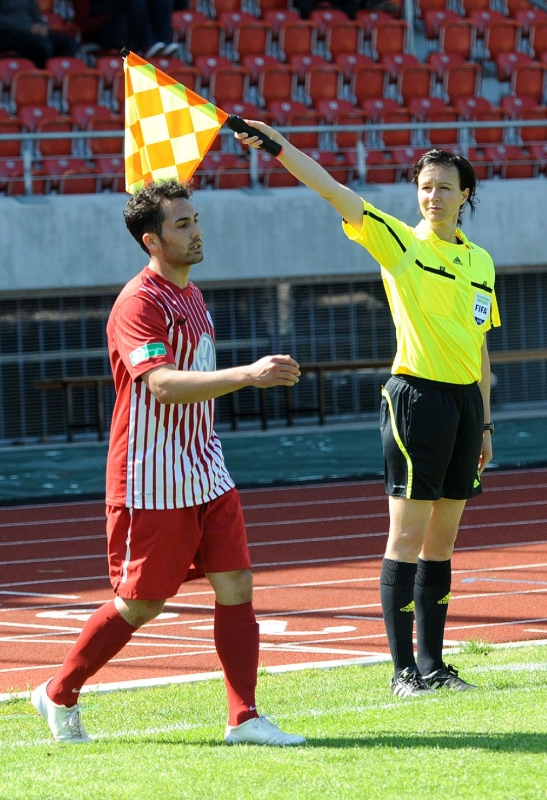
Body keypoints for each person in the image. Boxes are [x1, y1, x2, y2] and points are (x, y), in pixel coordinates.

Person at [31, 179, 306, 747]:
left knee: (237, 584)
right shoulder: (139, 301)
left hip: (205, 467)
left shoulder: (192, 294)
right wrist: (249, 374)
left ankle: (244, 718)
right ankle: (58, 692)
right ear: (151, 241)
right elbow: (160, 385)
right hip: (150, 477)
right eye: (183, 225)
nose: (197, 231)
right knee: (141, 603)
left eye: (196, 219)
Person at [235, 121, 500, 697]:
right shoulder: (401, 244)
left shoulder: (481, 261)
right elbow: (332, 189)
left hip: (464, 406)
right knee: (407, 538)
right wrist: (277, 145)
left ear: (466, 194)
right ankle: (403, 672)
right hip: (416, 399)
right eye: (425, 186)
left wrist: (484, 421)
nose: (433, 196)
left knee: (443, 542)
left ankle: (434, 665)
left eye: (444, 187)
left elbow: (480, 347)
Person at [72, 0, 179, 58]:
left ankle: (164, 43)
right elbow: (82, 22)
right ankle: (147, 46)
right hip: (103, 32)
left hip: (125, 28)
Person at [0, 0, 78, 68]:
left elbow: (34, 11)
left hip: (31, 31)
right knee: (43, 45)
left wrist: (43, 27)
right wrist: (29, 28)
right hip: (8, 32)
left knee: (69, 44)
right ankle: (37, 76)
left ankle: (58, 75)